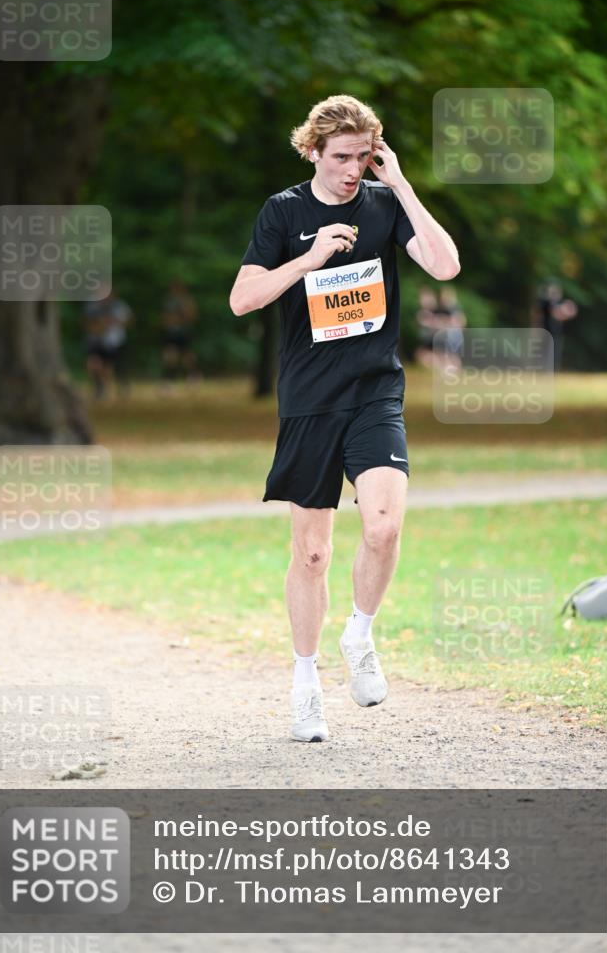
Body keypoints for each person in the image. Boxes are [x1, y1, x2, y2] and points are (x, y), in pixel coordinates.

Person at [230, 95, 460, 742]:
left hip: (373, 390)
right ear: (312, 152)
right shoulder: (284, 212)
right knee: (310, 552)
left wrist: (402, 184)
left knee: (383, 527)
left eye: (363, 156)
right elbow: (243, 299)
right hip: (308, 397)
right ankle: (305, 683)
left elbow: (444, 265)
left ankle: (358, 633)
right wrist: (307, 259)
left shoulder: (383, 206)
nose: (351, 169)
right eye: (340, 157)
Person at [84, 293, 133, 399]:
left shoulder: (119, 306)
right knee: (94, 364)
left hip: (114, 342)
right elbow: (88, 323)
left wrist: (111, 323)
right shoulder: (93, 306)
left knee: (111, 367)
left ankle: (110, 388)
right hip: (97, 342)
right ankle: (100, 388)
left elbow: (128, 320)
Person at [160, 280, 200, 390]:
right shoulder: (169, 301)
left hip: (183, 332)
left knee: (187, 357)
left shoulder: (187, 301)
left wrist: (179, 318)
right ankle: (169, 380)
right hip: (171, 333)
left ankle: (193, 376)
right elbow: (165, 319)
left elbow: (192, 316)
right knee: (170, 357)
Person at [538, 280, 578, 372]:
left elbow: (564, 315)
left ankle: (554, 369)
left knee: (555, 352)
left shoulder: (558, 303)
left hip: (556, 332)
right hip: (546, 331)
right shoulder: (546, 303)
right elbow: (553, 313)